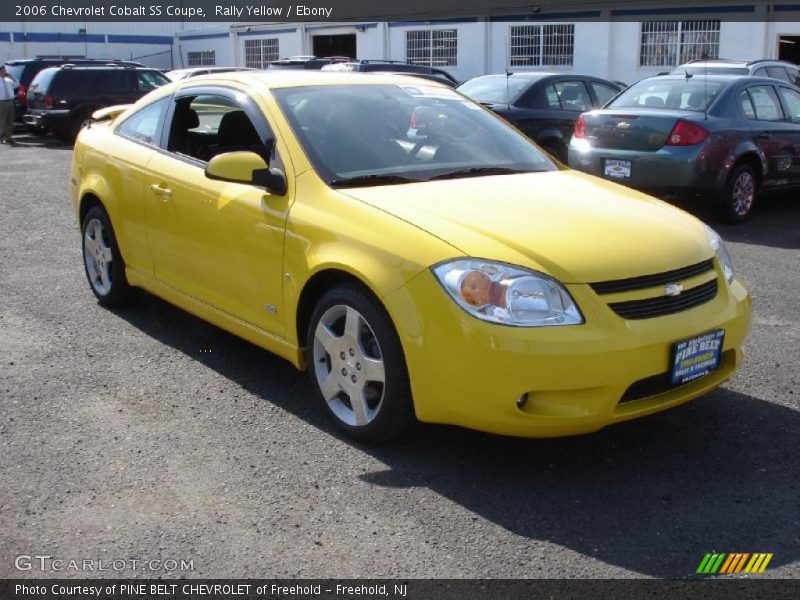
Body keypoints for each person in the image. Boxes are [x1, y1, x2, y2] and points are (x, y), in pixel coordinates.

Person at [0, 65, 16, 145]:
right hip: (1, 102)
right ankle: (1, 137)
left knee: (10, 120)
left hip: (10, 101)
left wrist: (12, 77)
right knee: (2, 120)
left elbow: (17, 85)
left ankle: (8, 137)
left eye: (4, 70)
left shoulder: (8, 80)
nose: (4, 72)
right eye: (2, 70)